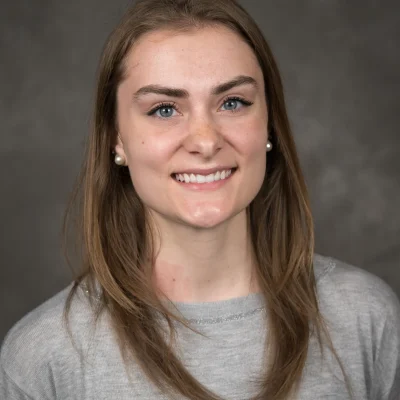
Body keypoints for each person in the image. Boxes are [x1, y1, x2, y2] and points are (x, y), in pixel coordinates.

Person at [1, 0, 399, 399]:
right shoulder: (43, 357)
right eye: (164, 109)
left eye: (232, 103)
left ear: (269, 124)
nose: (206, 141)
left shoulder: (366, 318)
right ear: (115, 138)